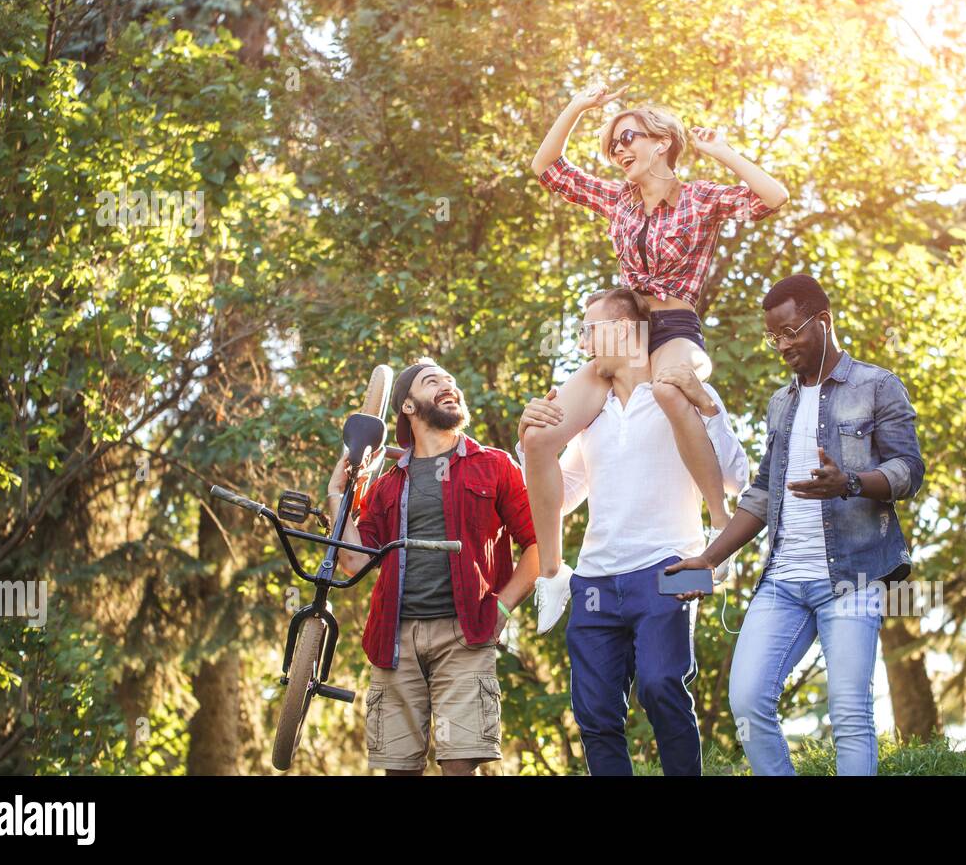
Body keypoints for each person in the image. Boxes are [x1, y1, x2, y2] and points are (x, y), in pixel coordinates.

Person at [525, 83, 788, 582]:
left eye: (628, 138)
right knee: (539, 436)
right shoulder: (617, 200)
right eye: (613, 146)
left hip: (675, 328)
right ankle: (554, 572)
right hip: (626, 333)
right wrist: (579, 107)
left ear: (662, 141)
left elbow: (772, 197)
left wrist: (721, 152)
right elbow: (548, 169)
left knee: (669, 390)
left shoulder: (700, 199)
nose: (619, 150)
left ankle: (719, 522)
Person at [667, 274, 925, 776]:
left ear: (823, 321)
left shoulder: (877, 386)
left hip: (850, 578)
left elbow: (908, 472)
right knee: (747, 702)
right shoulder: (780, 403)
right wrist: (709, 557)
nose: (783, 346)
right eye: (774, 337)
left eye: (791, 332)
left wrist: (849, 481)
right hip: (783, 582)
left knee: (850, 712)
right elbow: (762, 494)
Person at [517, 288, 747, 775]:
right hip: (597, 579)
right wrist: (529, 446)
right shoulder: (593, 417)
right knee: (595, 713)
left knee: (663, 686)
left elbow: (736, 477)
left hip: (669, 568)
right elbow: (564, 497)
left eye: (588, 331)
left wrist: (708, 407)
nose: (583, 346)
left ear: (624, 331)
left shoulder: (675, 392)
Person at [328, 360, 539, 775]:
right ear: (408, 406)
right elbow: (352, 560)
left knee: (460, 765)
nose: (449, 386)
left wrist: (502, 607)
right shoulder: (389, 483)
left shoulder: (493, 465)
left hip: (466, 635)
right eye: (433, 381)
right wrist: (338, 493)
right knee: (398, 769)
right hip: (394, 641)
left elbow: (538, 544)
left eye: (451, 381)